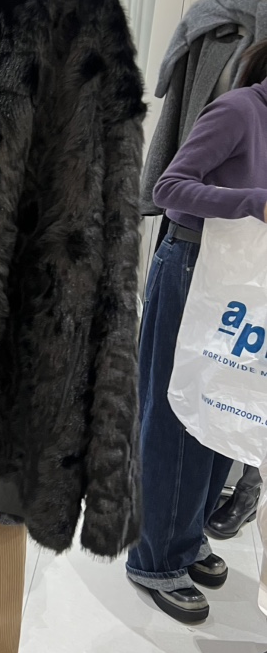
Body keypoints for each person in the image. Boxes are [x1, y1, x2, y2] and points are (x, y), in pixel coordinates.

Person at [127, 39, 267, 623]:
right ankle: (155, 557)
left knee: (219, 410)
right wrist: (253, 201)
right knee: (174, 413)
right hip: (190, 264)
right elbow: (167, 187)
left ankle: (186, 538)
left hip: (234, 282)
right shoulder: (239, 110)